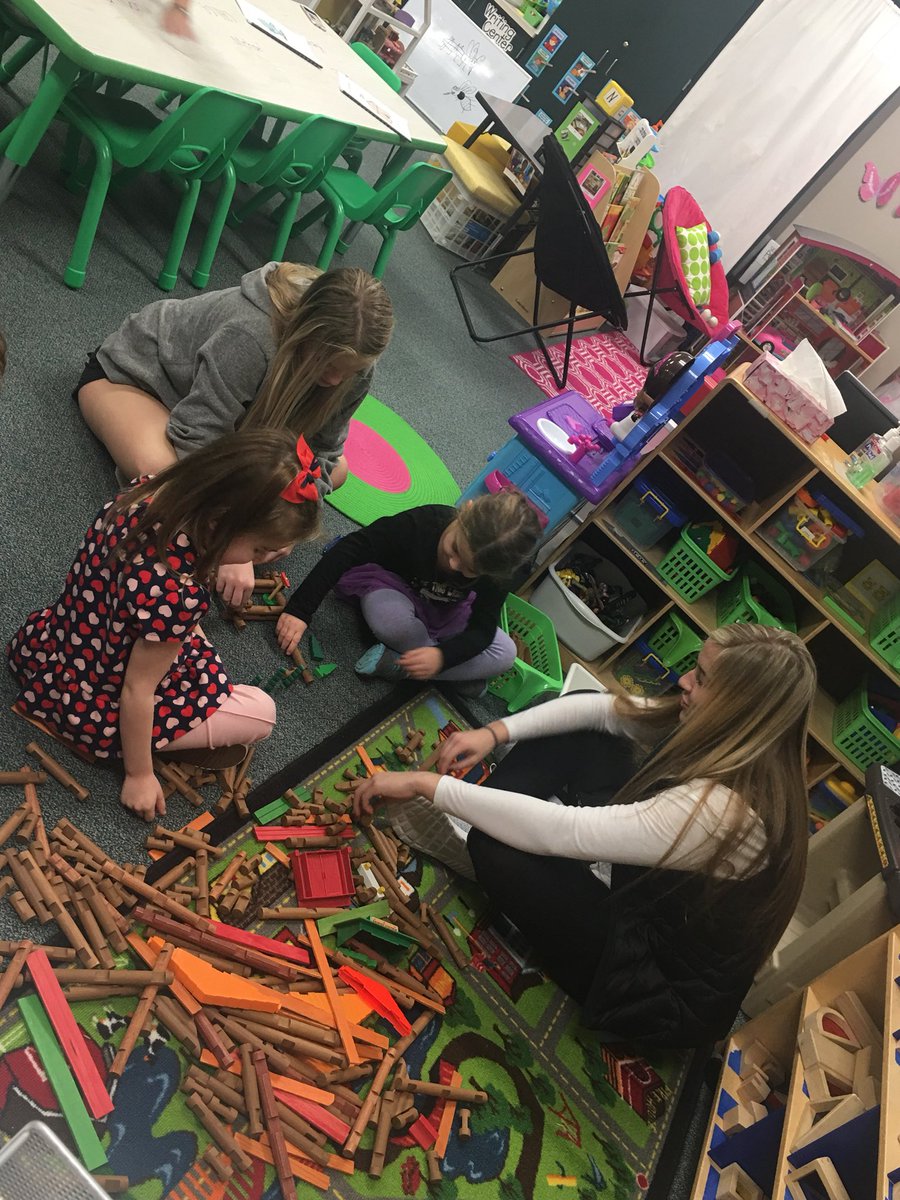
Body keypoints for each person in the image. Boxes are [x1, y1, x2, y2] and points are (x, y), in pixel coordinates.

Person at [351, 624, 816, 1048]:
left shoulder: (726, 814)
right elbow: (604, 709)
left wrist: (427, 786)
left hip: (654, 989)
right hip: (647, 900)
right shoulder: (737, 735)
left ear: (738, 708)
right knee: (588, 735)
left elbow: (566, 831)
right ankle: (489, 829)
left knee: (501, 847)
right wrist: (495, 731)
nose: (684, 683)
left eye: (703, 679)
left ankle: (480, 847)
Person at [7, 430, 321, 822]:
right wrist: (139, 775)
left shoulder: (145, 493)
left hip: (61, 641)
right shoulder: (177, 595)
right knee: (261, 714)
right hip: (94, 700)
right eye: (261, 550)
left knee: (204, 663)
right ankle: (137, 747)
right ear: (218, 523)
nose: (271, 557)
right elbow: (138, 690)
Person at [75, 262, 393, 605]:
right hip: (136, 381)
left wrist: (285, 520)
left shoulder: (357, 368)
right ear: (304, 332)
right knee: (163, 471)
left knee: (338, 472)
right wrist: (238, 537)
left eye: (347, 372)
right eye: (327, 366)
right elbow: (198, 438)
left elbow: (324, 453)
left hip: (230, 422)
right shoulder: (251, 333)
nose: (334, 380)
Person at [276, 493, 543, 692]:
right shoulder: (422, 524)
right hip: (394, 588)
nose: (454, 565)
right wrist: (300, 610)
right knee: (394, 624)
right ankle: (450, 678)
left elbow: (482, 629)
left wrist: (442, 657)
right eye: (455, 549)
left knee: (505, 653)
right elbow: (351, 548)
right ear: (465, 511)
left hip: (447, 610)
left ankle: (400, 666)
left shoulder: (498, 572)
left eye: (469, 570)